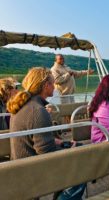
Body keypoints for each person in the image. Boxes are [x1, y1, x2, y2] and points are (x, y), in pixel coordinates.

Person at [7, 67, 85, 200]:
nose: (55, 86)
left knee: (77, 148)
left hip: (20, 167)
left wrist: (63, 143)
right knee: (82, 167)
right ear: (45, 86)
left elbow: (33, 140)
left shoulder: (23, 105)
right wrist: (70, 149)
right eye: (52, 83)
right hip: (31, 171)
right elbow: (47, 154)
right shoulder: (38, 111)